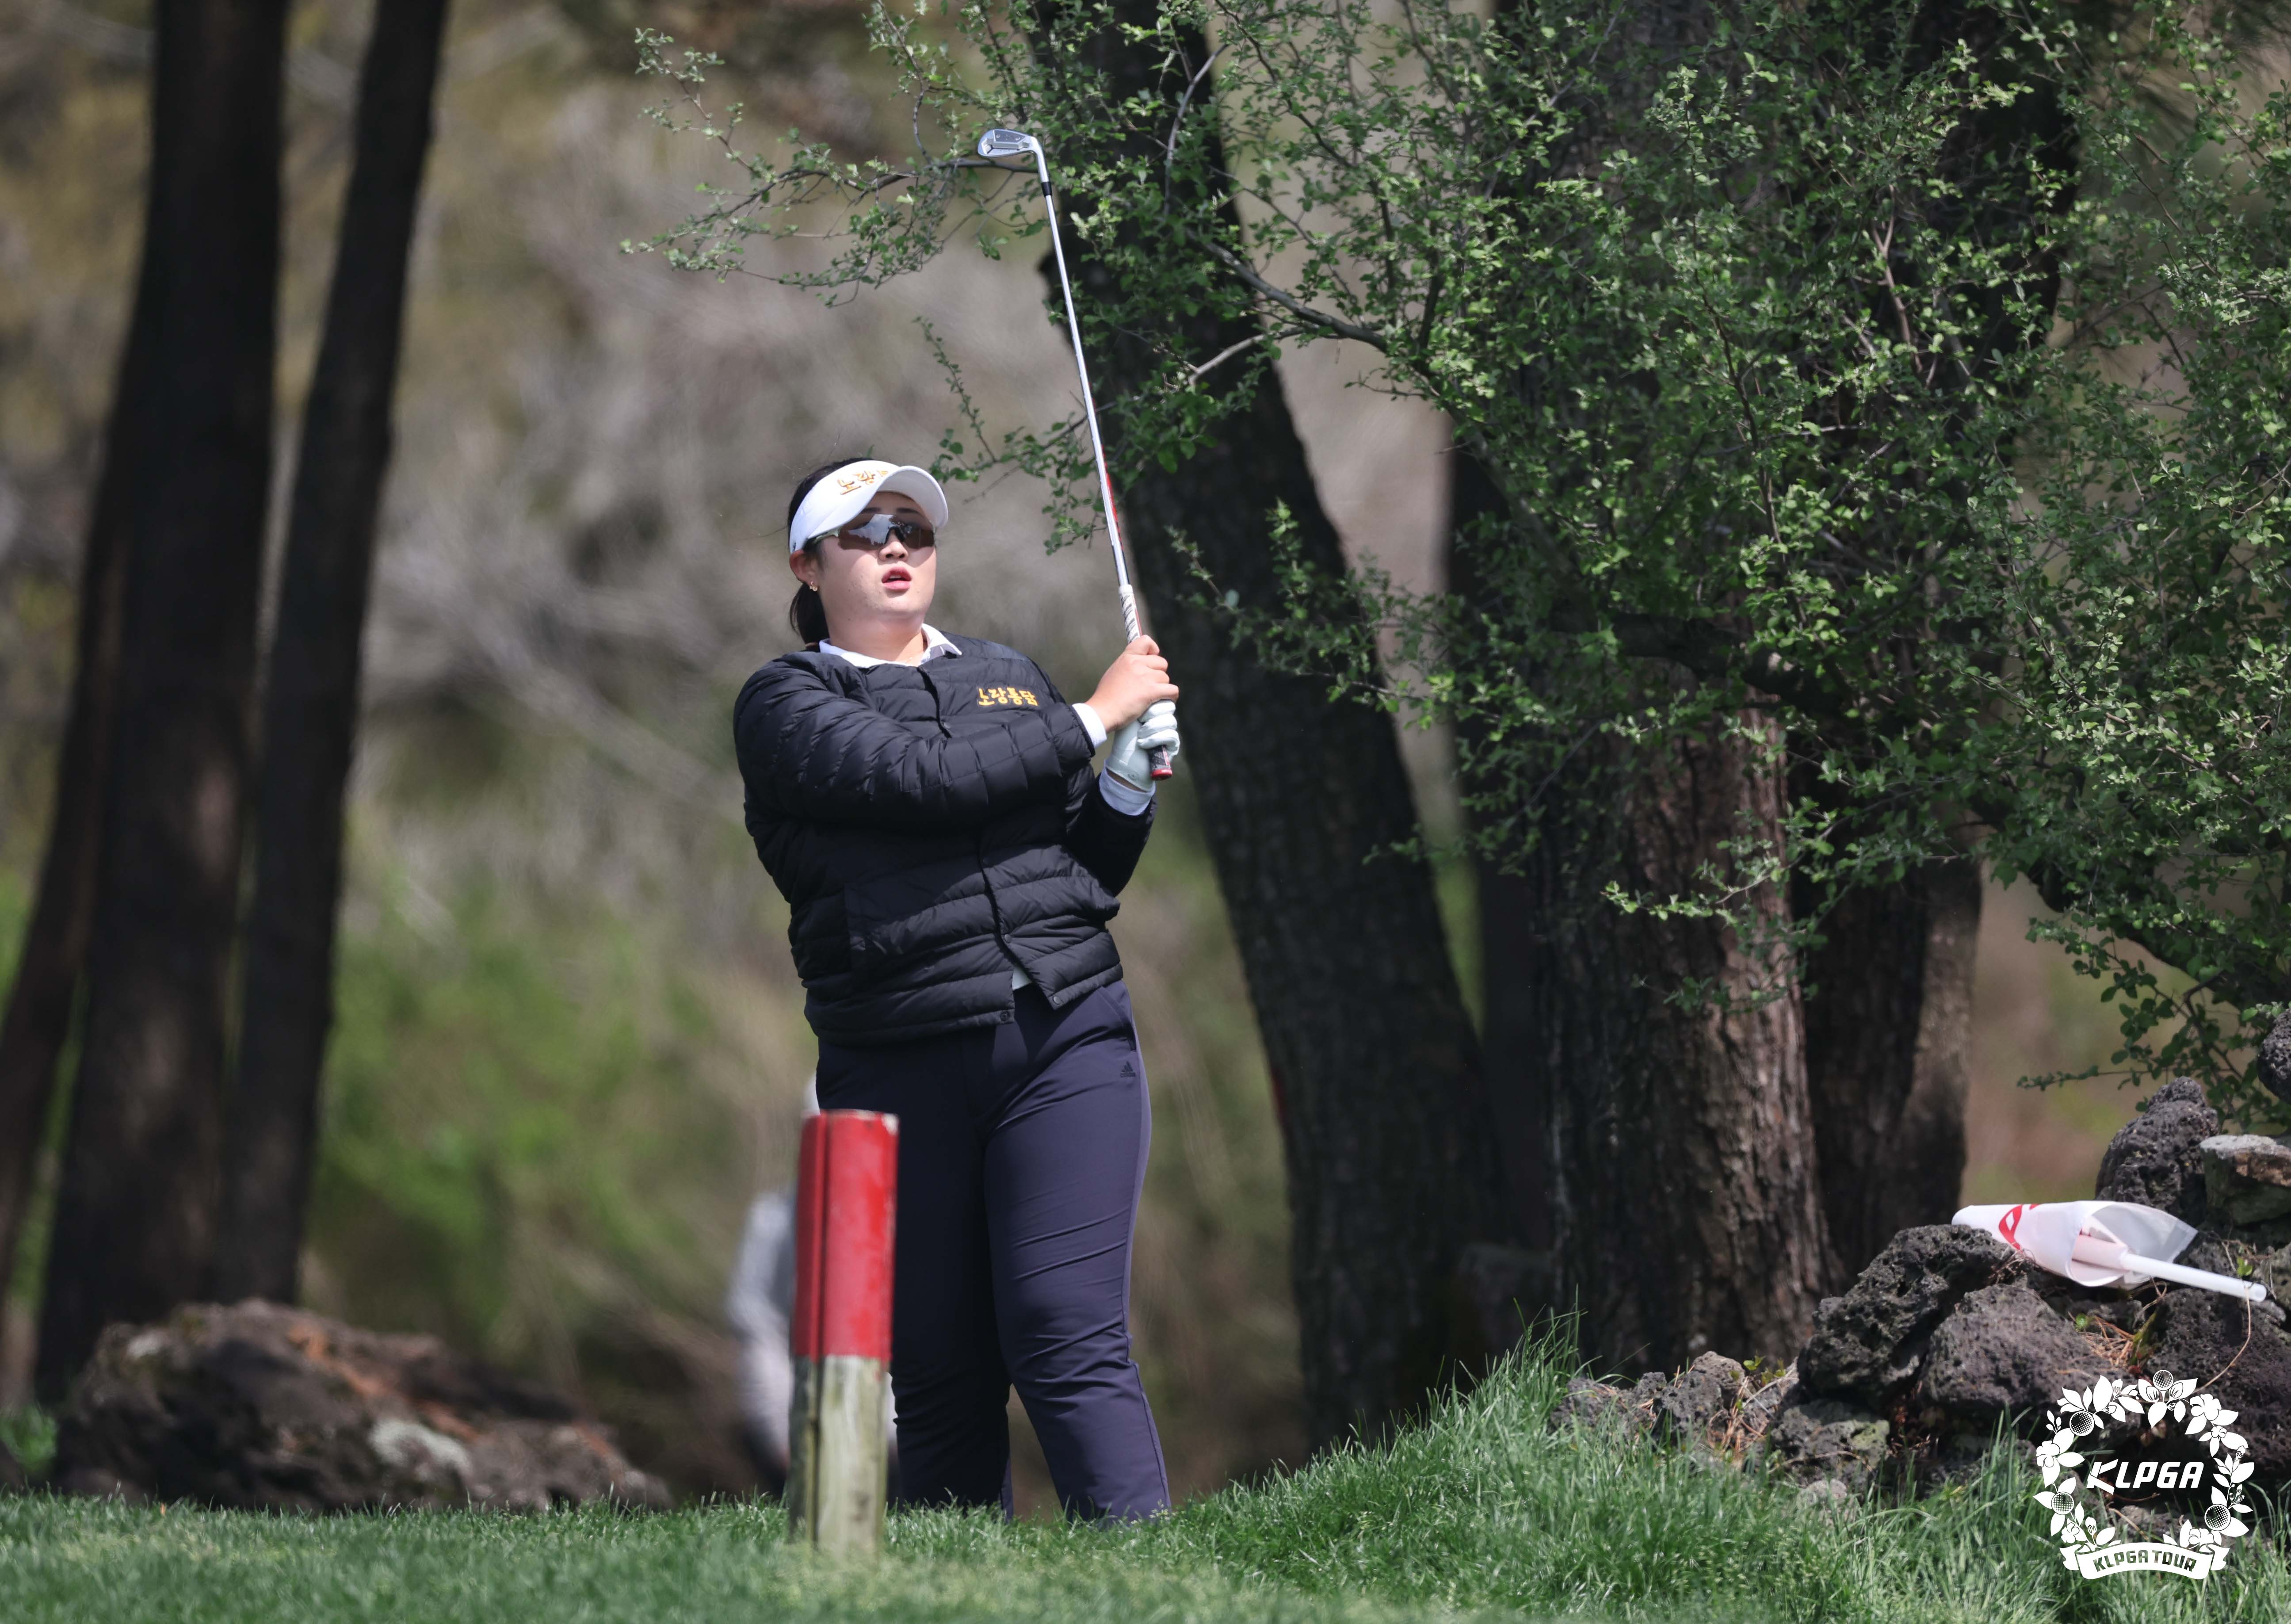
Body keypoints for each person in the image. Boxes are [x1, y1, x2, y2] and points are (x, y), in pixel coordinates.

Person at [732, 455, 1182, 1521]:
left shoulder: (1005, 675)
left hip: (1064, 1040)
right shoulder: (786, 704)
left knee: (1065, 1336)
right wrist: (1087, 720)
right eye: (863, 532)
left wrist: (1121, 785)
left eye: (914, 531)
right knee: (940, 1378)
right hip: (897, 1065)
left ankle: (1150, 1591)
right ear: (806, 563)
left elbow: (1078, 876)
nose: (895, 548)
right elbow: (921, 785)